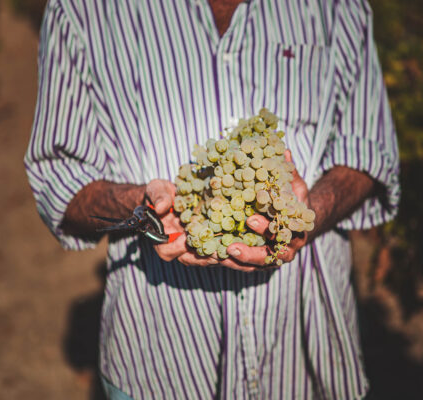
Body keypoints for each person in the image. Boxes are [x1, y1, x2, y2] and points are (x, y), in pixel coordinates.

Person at [24, 0, 399, 398]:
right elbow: (59, 180)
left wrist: (310, 212)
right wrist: (142, 209)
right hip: (161, 364)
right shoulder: (83, 11)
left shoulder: (339, 7)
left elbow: (367, 152)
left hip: (302, 357)